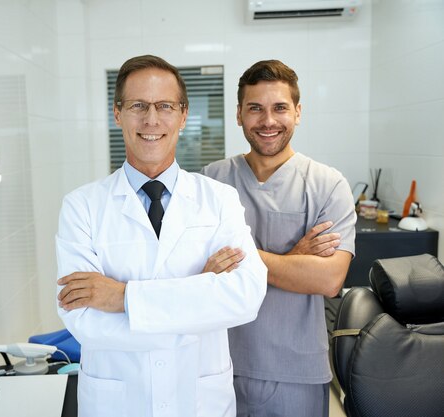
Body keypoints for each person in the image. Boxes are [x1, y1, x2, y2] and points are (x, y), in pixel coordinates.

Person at [56, 55, 267, 417]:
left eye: (165, 106)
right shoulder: (81, 207)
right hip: (118, 403)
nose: (151, 120)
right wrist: (200, 297)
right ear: (117, 113)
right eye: (138, 105)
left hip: (200, 399)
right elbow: (85, 321)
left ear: (183, 115)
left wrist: (122, 297)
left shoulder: (219, 200)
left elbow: (246, 297)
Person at [200, 59, 357, 417]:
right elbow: (196, 267)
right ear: (239, 114)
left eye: (280, 108)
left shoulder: (326, 185)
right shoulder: (211, 181)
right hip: (216, 364)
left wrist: (242, 260)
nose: (268, 121)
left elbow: (329, 279)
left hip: (295, 371)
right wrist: (294, 256)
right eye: (255, 108)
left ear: (298, 112)